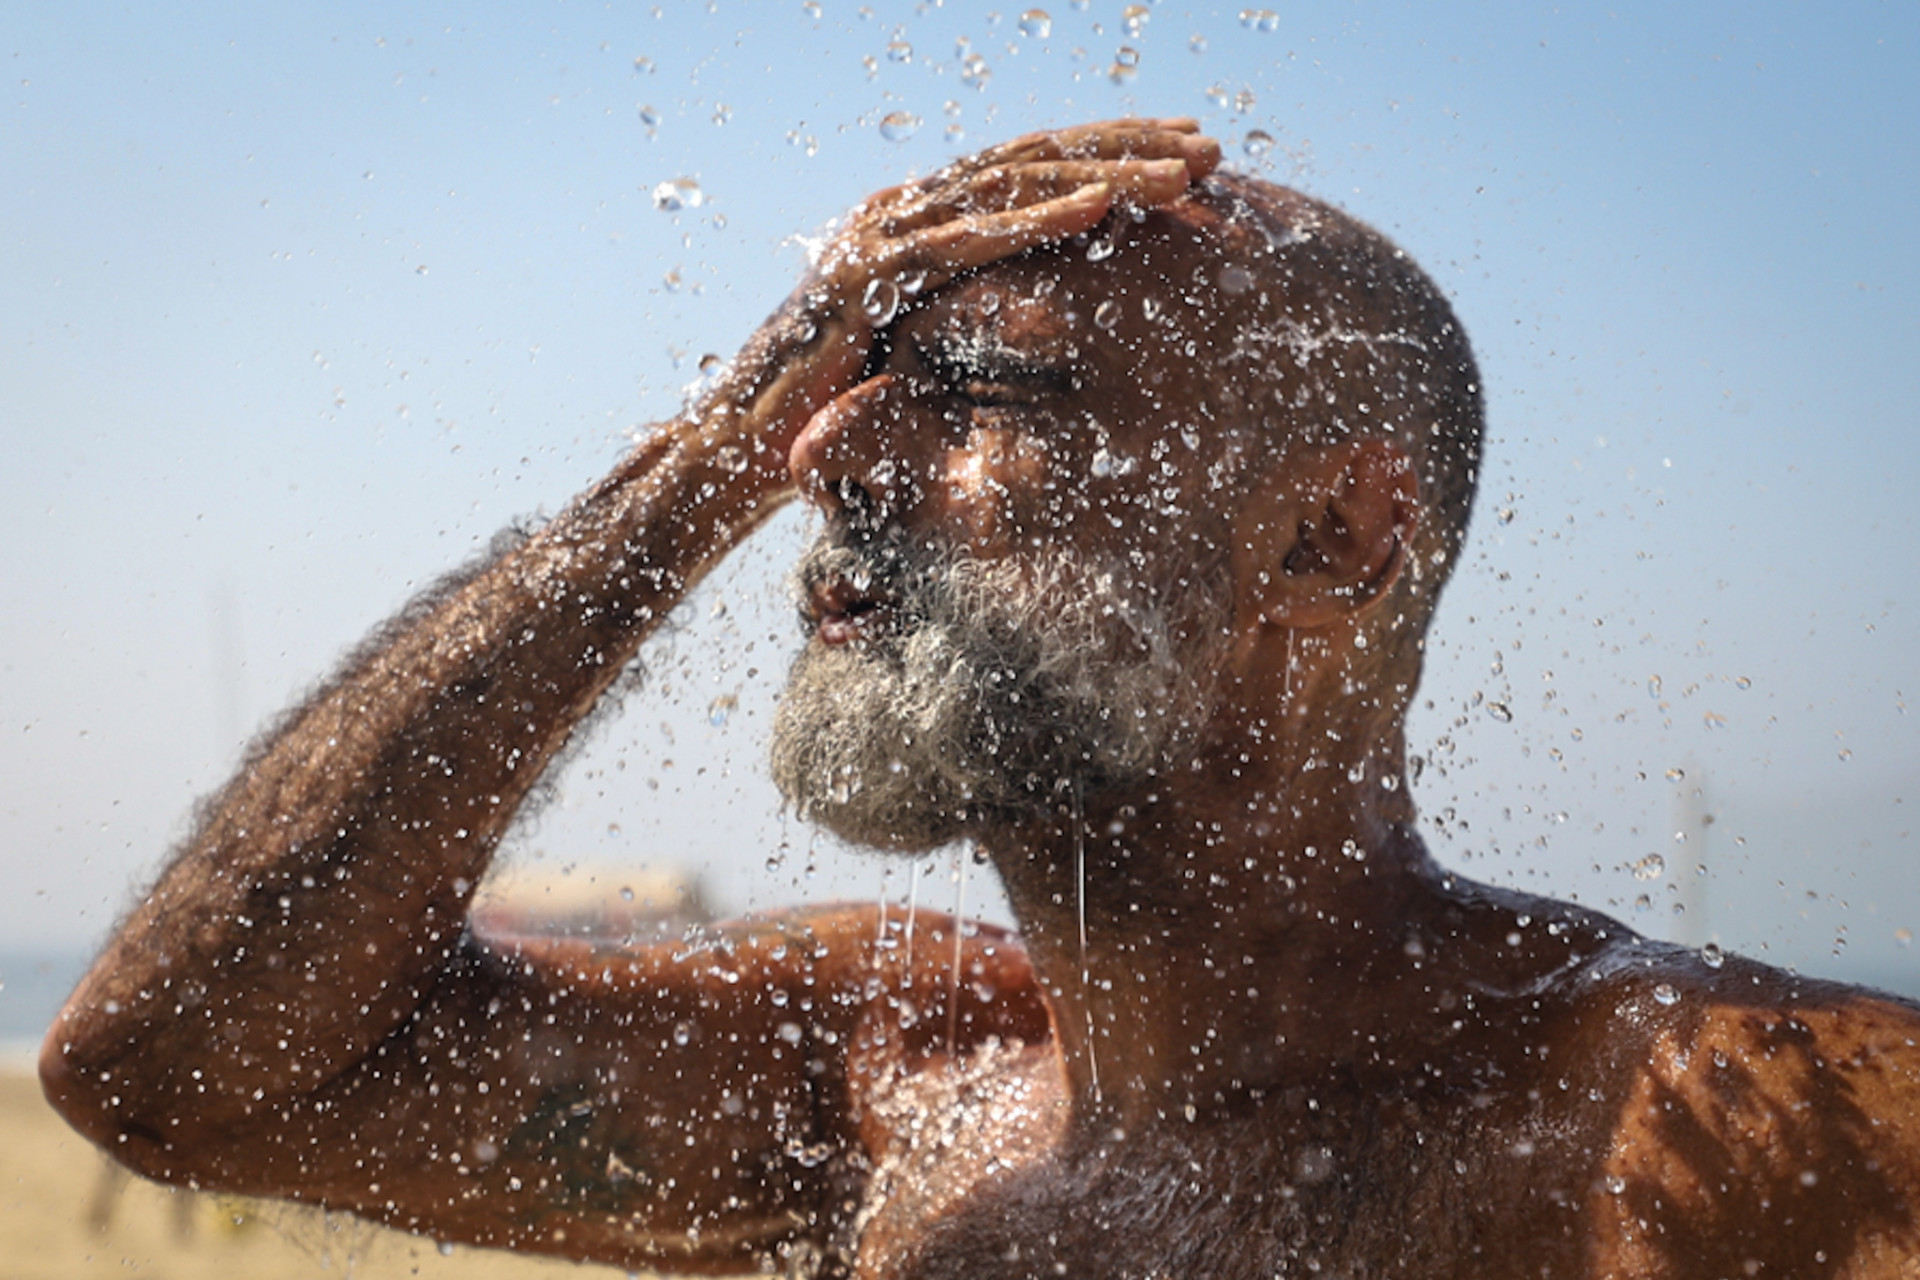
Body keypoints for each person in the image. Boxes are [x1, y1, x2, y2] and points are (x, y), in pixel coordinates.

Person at [41, 119, 1920, 1279]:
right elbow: (169, 1073)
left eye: (996, 399)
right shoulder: (877, 1081)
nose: (831, 456)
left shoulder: (1716, 1131)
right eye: (838, 386)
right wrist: (690, 470)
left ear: (1337, 537)